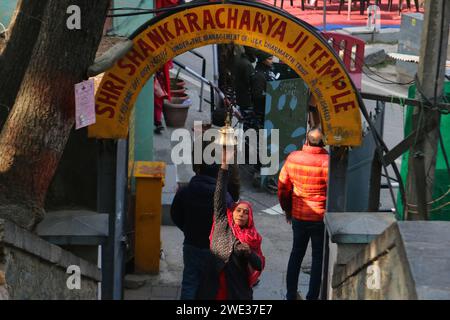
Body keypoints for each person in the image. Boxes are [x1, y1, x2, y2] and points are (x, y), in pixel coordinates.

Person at [196, 146, 265, 300]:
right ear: (232, 213)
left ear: (250, 219)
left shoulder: (253, 237)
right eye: (238, 211)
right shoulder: (222, 222)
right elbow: (219, 193)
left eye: (246, 213)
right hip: (214, 287)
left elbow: (259, 265)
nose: (241, 214)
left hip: (237, 291)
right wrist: (225, 165)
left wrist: (248, 253)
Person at [171, 162, 239, 299]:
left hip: (191, 244)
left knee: (190, 283)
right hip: (214, 249)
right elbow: (232, 223)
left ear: (199, 170)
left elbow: (175, 214)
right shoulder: (224, 197)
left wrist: (187, 229)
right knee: (211, 285)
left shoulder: (185, 191)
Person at [278, 128, 329, 300]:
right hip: (319, 218)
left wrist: (287, 210)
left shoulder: (293, 158)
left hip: (299, 216)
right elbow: (333, 191)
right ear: (323, 142)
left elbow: (283, 187)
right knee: (317, 259)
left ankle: (291, 294)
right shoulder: (328, 162)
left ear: (306, 140)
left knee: (296, 253)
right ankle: (312, 297)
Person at [232, 46, 256, 112]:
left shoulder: (241, 60)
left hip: (240, 97)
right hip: (246, 100)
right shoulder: (247, 65)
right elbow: (251, 83)